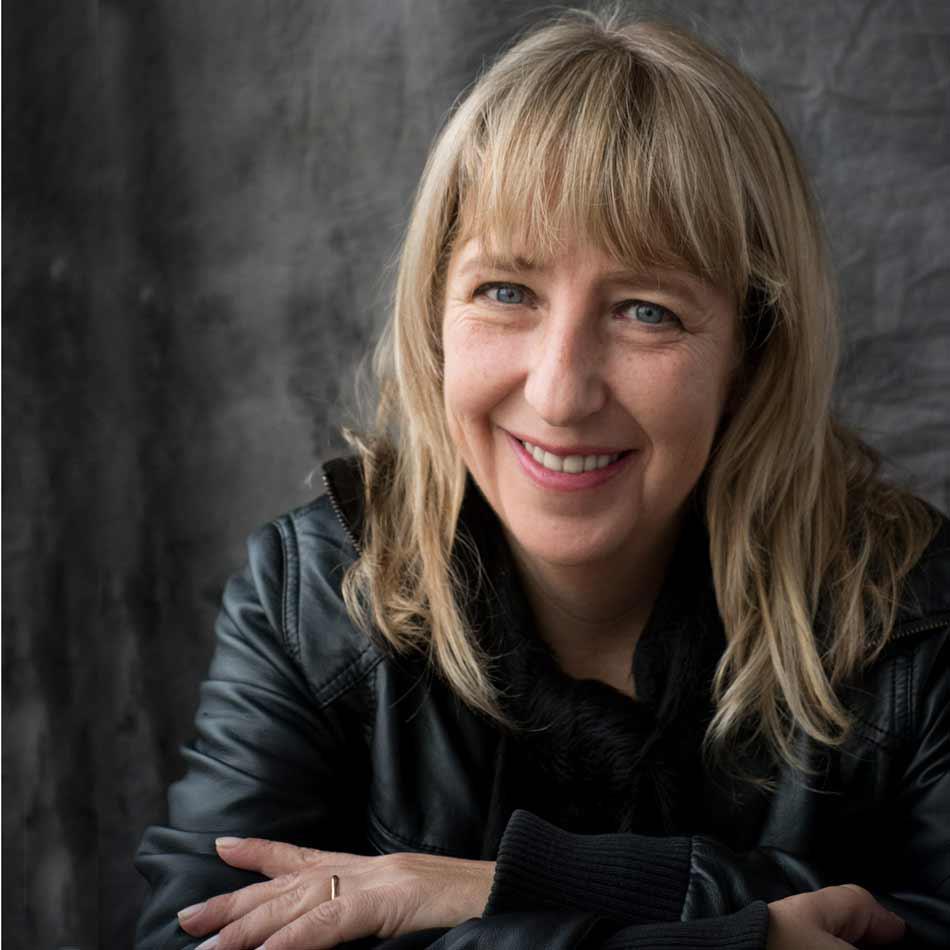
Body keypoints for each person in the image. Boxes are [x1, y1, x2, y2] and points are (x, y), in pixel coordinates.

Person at [133, 7, 950, 949]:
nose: (560, 393)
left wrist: (499, 888)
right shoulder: (311, 597)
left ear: (750, 355)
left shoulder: (915, 619)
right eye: (507, 292)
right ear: (436, 315)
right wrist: (732, 937)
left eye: (647, 310)